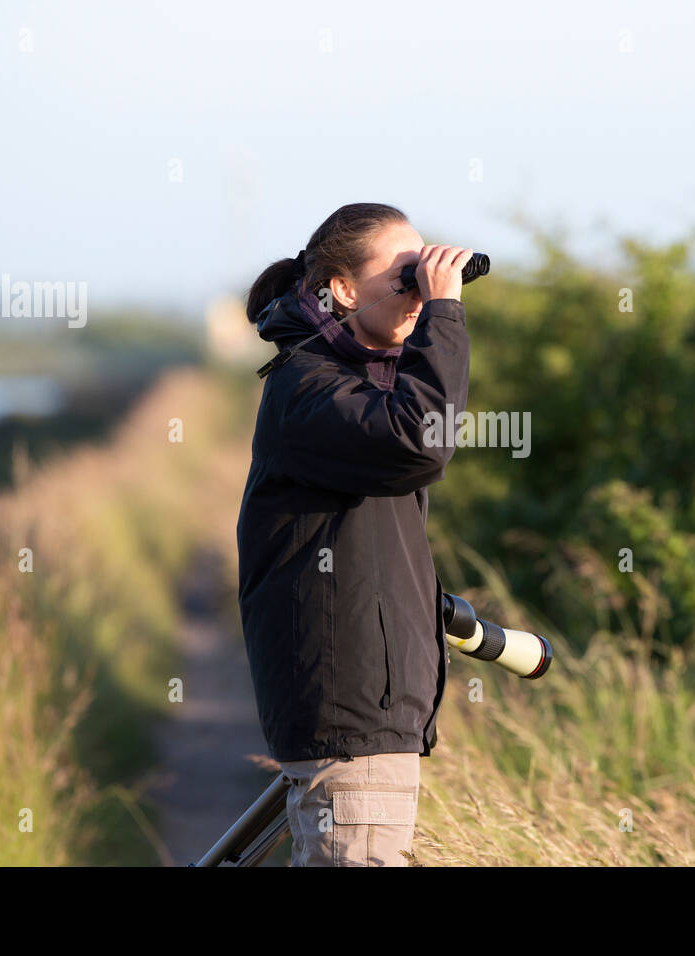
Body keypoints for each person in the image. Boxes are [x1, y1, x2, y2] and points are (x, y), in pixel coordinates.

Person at [236, 202, 472, 866]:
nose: (420, 291)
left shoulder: (344, 384)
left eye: (424, 276)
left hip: (366, 717)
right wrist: (446, 316)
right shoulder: (310, 388)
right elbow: (422, 440)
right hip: (351, 720)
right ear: (341, 289)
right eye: (405, 275)